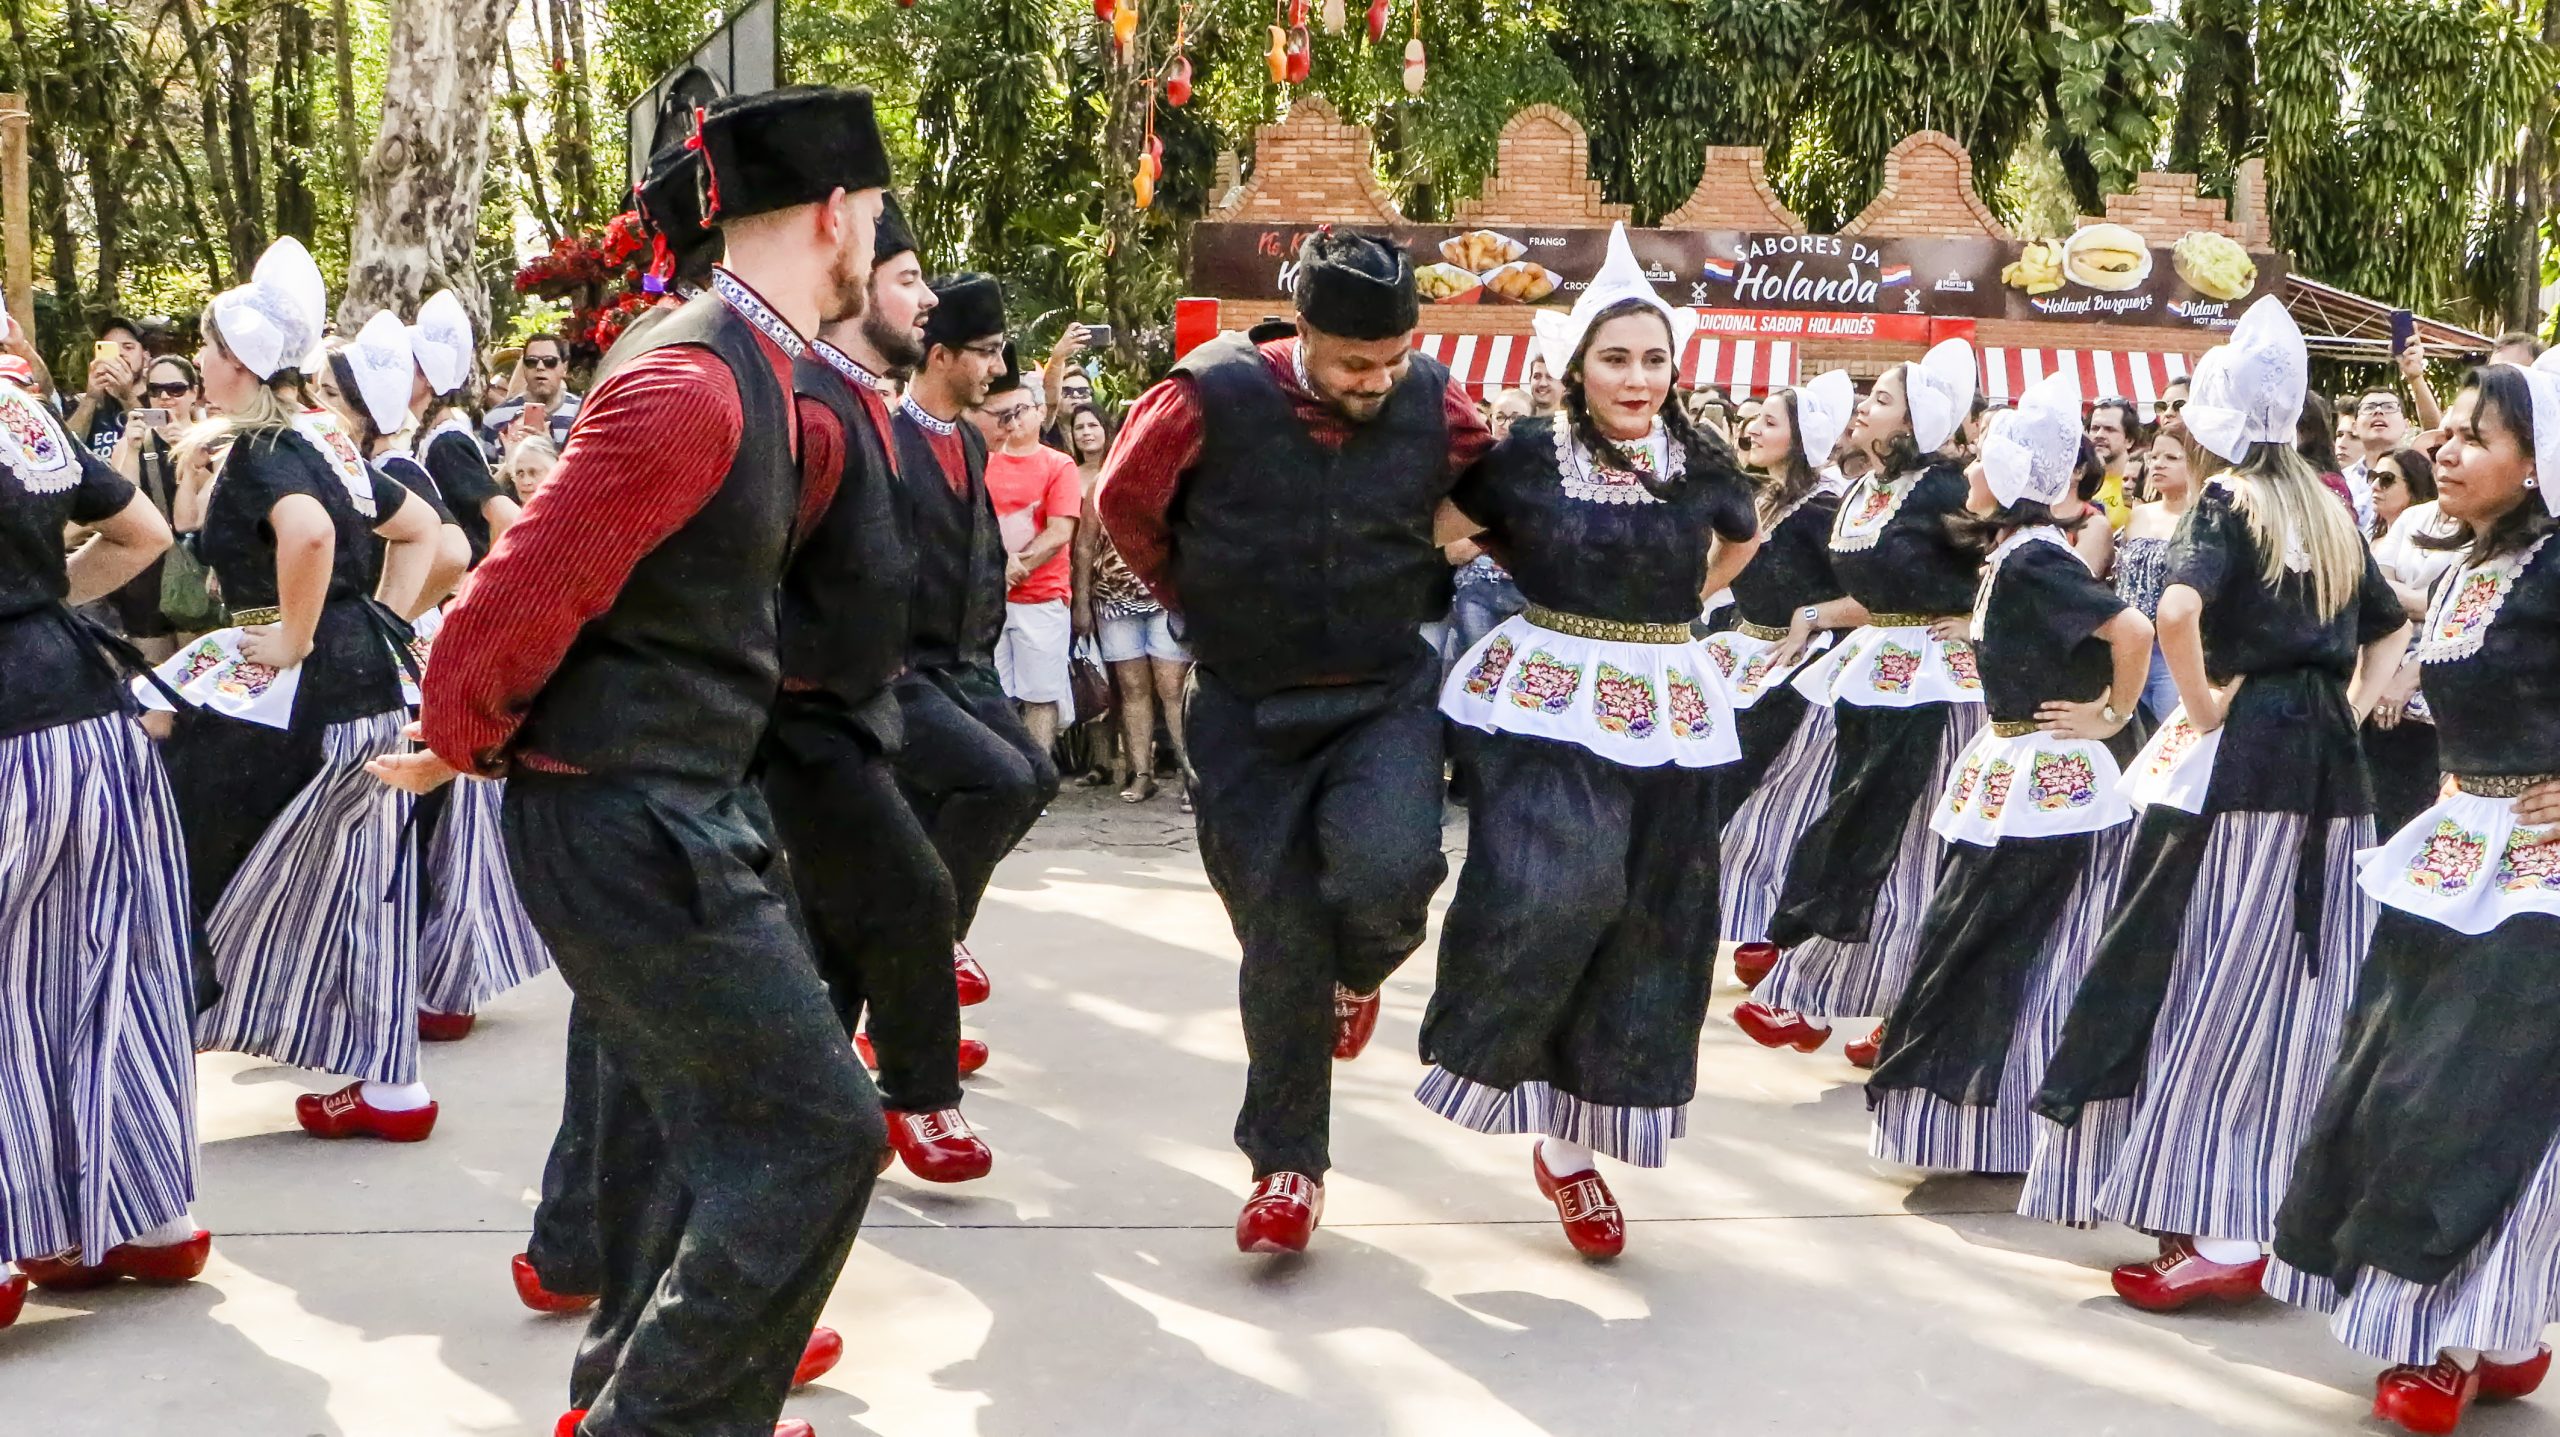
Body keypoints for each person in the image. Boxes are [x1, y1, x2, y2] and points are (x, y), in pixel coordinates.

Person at [378, 86, 894, 1437]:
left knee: (705, 1131)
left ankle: (650, 1389)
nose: (882, 240)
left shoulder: (758, 371)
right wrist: (463, 740)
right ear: (834, 215)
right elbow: (511, 599)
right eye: (878, 218)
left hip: (667, 805)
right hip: (626, 818)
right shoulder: (691, 384)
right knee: (819, 1131)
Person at [1098, 228, 1494, 1254]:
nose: (1380, 378)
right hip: (1245, 707)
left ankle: (1358, 974)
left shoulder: (1437, 400)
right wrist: (1201, 598)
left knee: (1390, 874)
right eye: (1356, 361)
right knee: (1276, 935)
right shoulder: (1205, 395)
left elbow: (1494, 489)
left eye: (1396, 355)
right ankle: (1286, 1168)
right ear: (1303, 334)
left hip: (1380, 694)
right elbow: (1123, 504)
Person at [2031, 296, 2411, 1313]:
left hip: (2241, 769)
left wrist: (2199, 706)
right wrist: (2350, 700)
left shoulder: (2228, 500)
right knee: (2298, 993)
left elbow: (2178, 608)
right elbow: (2389, 626)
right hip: (2330, 774)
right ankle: (2263, 1211)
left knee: (2207, 977)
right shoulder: (2328, 507)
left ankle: (2219, 1223)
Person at [1424, 227, 1760, 1256]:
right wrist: (1515, 571)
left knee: (1654, 922)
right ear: (1578, 366)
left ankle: (1574, 1150)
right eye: (1616, 357)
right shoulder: (1527, 453)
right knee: (1560, 890)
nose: (1637, 376)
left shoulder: (1699, 455)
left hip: (1667, 701)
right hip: (1550, 698)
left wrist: (1677, 614)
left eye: (1653, 357)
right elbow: (1442, 524)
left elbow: (1740, 538)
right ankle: (1466, 1042)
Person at [2264, 361, 2560, 1437]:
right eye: (2447, 429)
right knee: (2396, 1078)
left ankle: (2444, 1337)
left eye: (2477, 436)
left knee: (2471, 1099)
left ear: (2540, 463)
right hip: (2451, 857)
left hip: (2539, 881)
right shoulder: (2481, 560)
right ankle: (2501, 1327)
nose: (2445, 447)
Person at [172, 238, 449, 1141]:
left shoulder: (262, 455)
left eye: (208, 347)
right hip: (366, 690)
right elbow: (431, 539)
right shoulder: (324, 445)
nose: (200, 361)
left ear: (242, 359)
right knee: (361, 886)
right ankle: (392, 1088)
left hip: (300, 699)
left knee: (199, 859)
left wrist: (295, 634)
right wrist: (384, 625)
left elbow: (306, 536)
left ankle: (159, 1052)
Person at [1865, 370, 2153, 1176]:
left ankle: (2005, 1124)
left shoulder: (2034, 559)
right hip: (2016, 765)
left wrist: (2112, 713)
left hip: (2045, 777)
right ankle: (1985, 1126)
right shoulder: (2017, 555)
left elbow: (2132, 627)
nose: (1968, 474)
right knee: (1991, 940)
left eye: (1982, 462)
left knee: (2003, 943)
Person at [770, 188, 993, 1187]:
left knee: (840, 928)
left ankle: (851, 1103)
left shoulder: (864, 402)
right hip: (789, 718)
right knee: (910, 892)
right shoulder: (806, 401)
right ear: (856, 289)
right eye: (908, 281)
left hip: (863, 707)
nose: (926, 304)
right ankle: (917, 1097)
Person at [0, 366, 208, 1325]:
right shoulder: (24, 416)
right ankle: (147, 1216)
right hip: (90, 718)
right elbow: (148, 533)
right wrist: (47, 599)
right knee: (109, 962)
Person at [1733, 338, 1986, 1064]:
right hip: (1873, 675)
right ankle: (1823, 995)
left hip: (1934, 690)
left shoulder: (1942, 487)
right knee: (1861, 835)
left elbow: (2001, 554)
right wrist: (1815, 617)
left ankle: (1860, 1004)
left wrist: (1973, 617)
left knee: (1907, 849)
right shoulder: (1867, 490)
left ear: (1913, 423)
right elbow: (1872, 595)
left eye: (1881, 400)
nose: (1863, 408)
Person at [891, 272, 1058, 1011]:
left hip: (968, 663)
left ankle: (929, 941)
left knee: (1037, 776)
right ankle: (927, 941)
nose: (997, 369)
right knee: (1001, 779)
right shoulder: (889, 439)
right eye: (986, 353)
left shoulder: (965, 437)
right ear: (938, 355)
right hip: (906, 668)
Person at [1712, 370, 1856, 989]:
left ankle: (1768, 932)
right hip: (1742, 656)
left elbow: (1875, 594)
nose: (1751, 427)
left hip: (1797, 675)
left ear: (1802, 439)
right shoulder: (1761, 497)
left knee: (1767, 804)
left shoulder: (1826, 507)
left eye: (1769, 421)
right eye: (1753, 418)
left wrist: (1809, 618)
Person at [1070, 403, 1195, 807]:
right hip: (1112, 603)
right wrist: (1082, 602)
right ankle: (1142, 774)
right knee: (1132, 689)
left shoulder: (1167, 480)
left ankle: (1191, 776)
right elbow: (1085, 547)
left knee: (1172, 688)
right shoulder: (1099, 485)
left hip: (1162, 598)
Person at [981, 364, 1083, 751]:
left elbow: (1059, 533)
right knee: (994, 695)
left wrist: (1010, 569)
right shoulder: (983, 459)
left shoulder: (1059, 465)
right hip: (989, 598)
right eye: (1005, 412)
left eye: (1022, 409)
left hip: (1040, 597)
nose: (1013, 420)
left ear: (1042, 412)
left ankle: (1038, 780)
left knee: (1041, 695)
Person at [2363, 446, 2462, 836]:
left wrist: (2426, 603)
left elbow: (2465, 611)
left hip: (2438, 678)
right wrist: (2431, 602)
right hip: (2384, 659)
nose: (2450, 457)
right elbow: (2375, 588)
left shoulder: (2491, 530)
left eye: (2388, 480)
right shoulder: (2414, 518)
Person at [96, 355, 206, 661]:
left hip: (195, 565)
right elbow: (120, 501)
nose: (165, 398)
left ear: (195, 392)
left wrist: (191, 453)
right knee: (155, 678)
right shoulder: (134, 438)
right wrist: (131, 449)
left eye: (176, 389)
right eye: (156, 390)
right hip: (146, 574)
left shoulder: (210, 436)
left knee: (195, 674)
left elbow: (219, 499)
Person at [2117, 428, 2203, 723]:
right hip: (2130, 649)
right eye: (2154, 457)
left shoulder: (2203, 518)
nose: (2158, 464)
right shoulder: (2139, 515)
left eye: (2171, 457)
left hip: (2175, 652)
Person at [478, 331, 580, 458]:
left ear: (564, 368)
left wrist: (549, 449)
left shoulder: (581, 414)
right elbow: (485, 476)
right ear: (524, 368)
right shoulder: (495, 419)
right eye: (531, 361)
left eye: (549, 361)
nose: (540, 367)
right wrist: (514, 459)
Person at [67, 316, 151, 459]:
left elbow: (155, 443)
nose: (120, 354)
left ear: (146, 356)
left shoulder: (159, 396)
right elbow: (66, 449)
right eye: (110, 348)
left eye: (128, 347)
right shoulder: (81, 401)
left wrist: (127, 396)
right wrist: (91, 398)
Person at [2085, 397, 2141, 532]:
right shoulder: (2078, 480)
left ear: (2129, 440)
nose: (2099, 434)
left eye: (2109, 429)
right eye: (2095, 428)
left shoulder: (2142, 482)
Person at [1527, 350, 1561, 415]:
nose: (1543, 383)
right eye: (1537, 376)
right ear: (1530, 380)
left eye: (1550, 377)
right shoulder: (1519, 422)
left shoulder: (1576, 423)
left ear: (1564, 384)